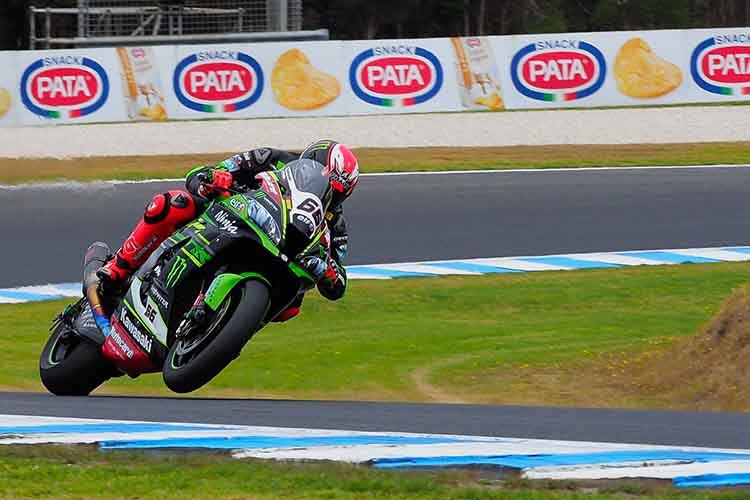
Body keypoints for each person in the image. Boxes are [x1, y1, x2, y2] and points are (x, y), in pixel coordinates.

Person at [97, 139, 360, 321]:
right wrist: (214, 179)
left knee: (292, 307)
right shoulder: (272, 160)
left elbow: (338, 282)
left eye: (337, 195)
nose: (329, 197)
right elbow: (202, 174)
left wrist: (329, 272)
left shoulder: (335, 226)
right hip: (228, 218)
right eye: (328, 186)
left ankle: (226, 326)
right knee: (172, 204)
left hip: (278, 258)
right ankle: (118, 268)